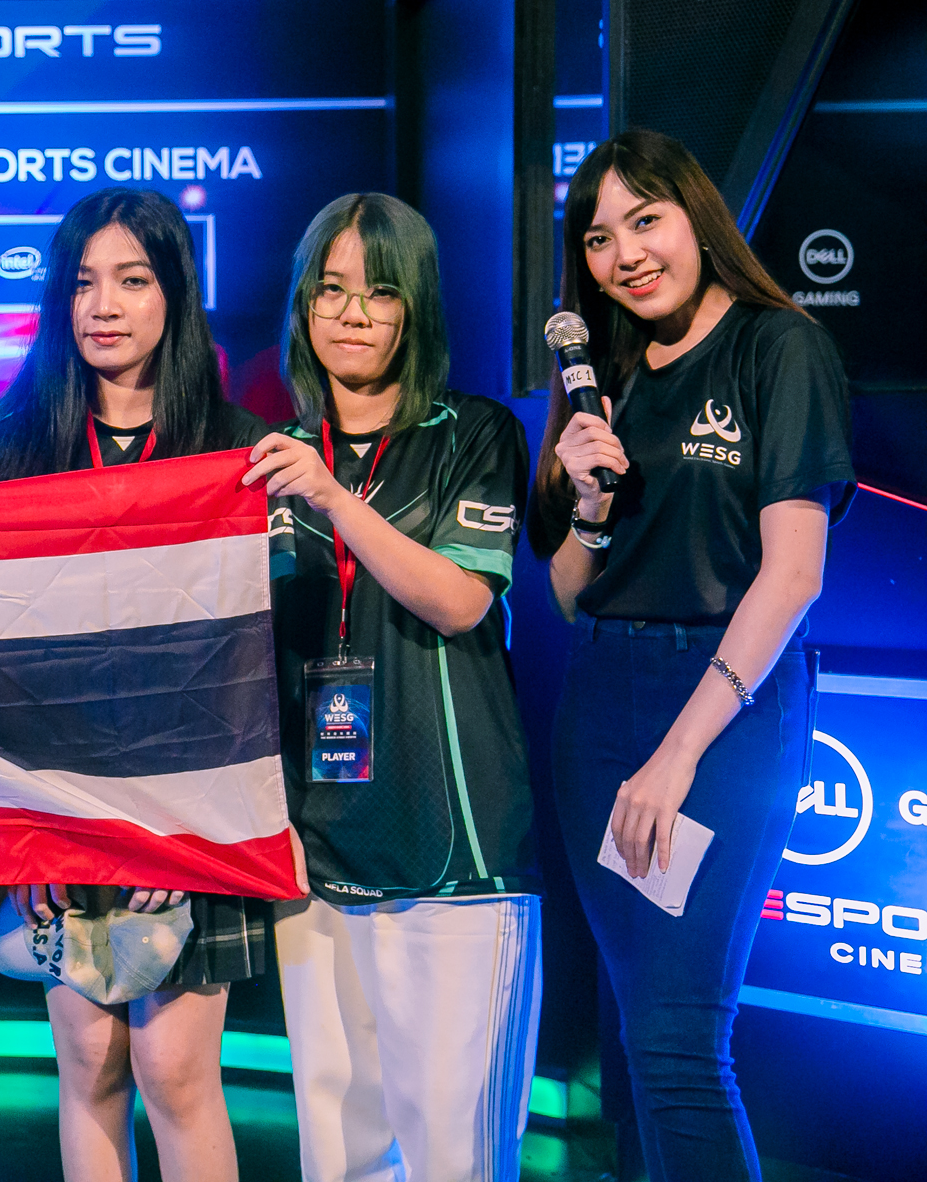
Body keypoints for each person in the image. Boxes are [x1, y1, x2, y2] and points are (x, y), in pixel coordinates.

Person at [532, 130, 851, 1181]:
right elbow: (570, 594)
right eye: (598, 238)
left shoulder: (778, 347)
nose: (625, 254)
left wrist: (677, 754)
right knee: (639, 1035)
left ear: (697, 218)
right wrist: (587, 502)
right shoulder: (606, 375)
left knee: (677, 1042)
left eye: (645, 220)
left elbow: (792, 575)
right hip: (600, 703)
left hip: (721, 710)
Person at [239, 192, 540, 1181]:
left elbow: (460, 600)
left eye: (380, 292)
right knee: (340, 1154)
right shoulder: (267, 459)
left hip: (455, 859)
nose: (353, 314)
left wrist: (331, 499)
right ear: (302, 306)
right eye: (330, 291)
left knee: (458, 1159)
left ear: (417, 305)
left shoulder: (475, 433)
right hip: (315, 857)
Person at [0, 187, 270, 1182]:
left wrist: (183, 824)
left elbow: (242, 662)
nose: (105, 305)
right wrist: (31, 832)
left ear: (174, 293)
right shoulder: (16, 444)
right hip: (60, 806)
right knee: (89, 1063)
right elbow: (1, 657)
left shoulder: (233, 447)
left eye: (133, 280)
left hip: (193, 805)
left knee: (174, 1071)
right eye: (84, 282)